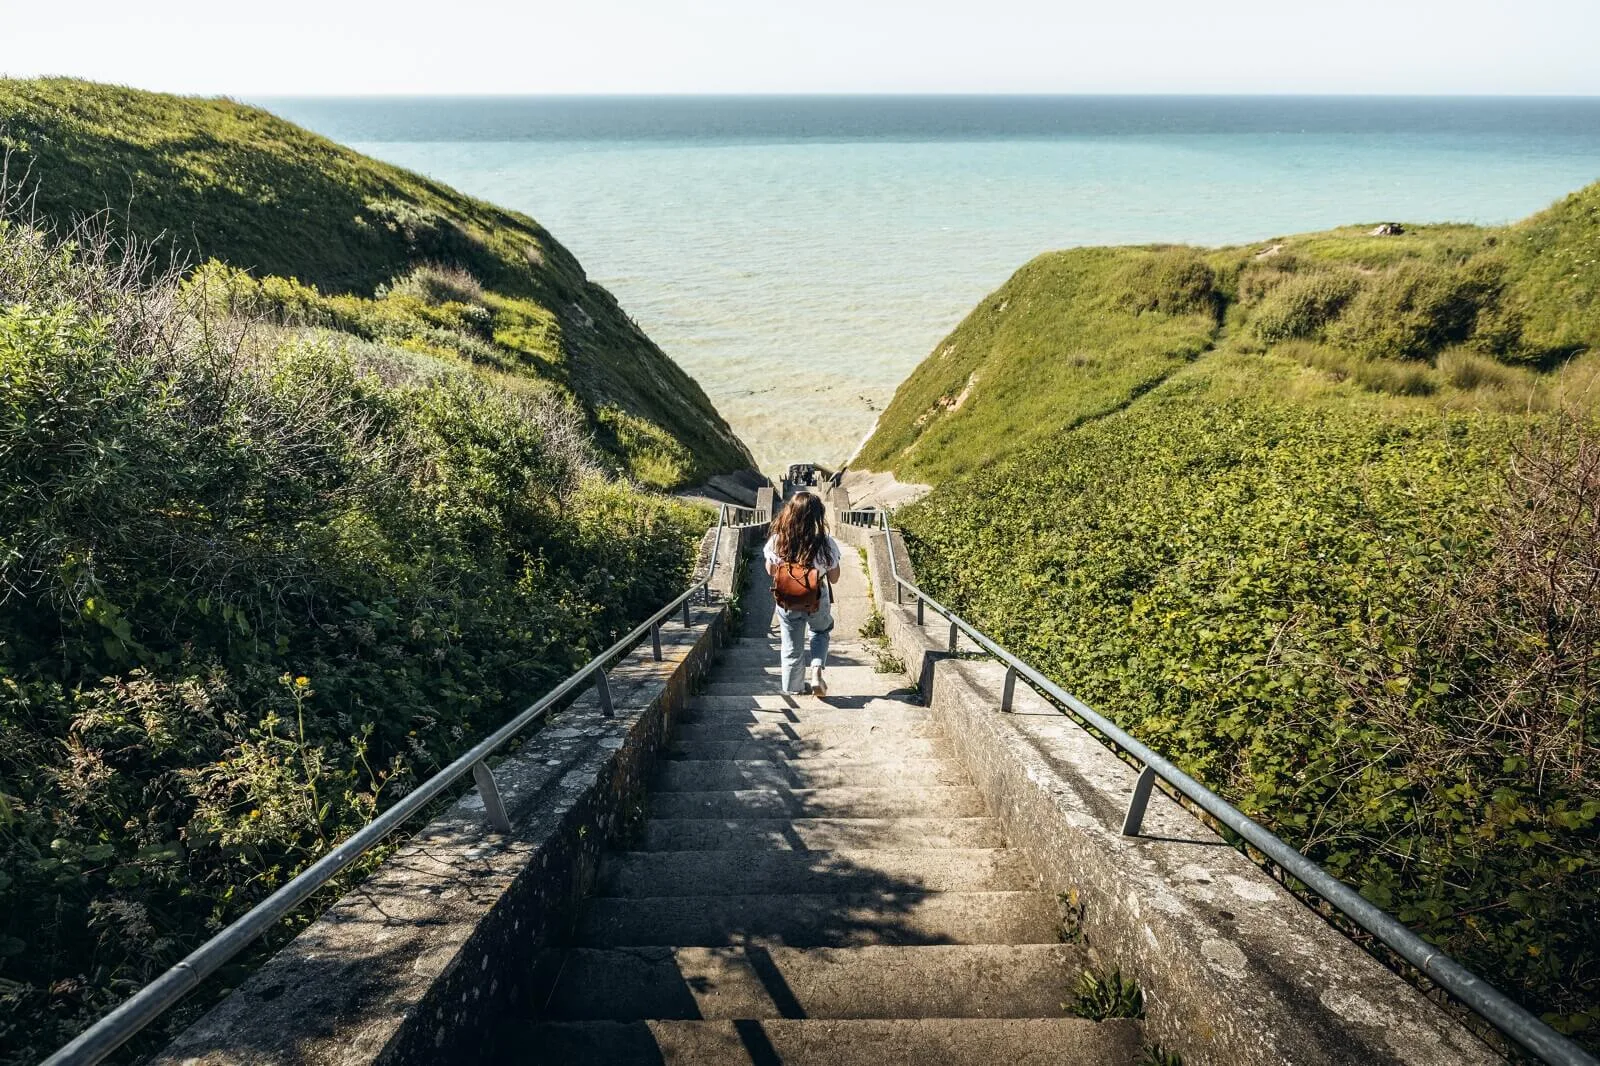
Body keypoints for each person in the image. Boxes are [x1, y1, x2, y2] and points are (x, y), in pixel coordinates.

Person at [764, 491, 842, 696]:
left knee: (791, 644)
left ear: (791, 512)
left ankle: (793, 688)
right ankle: (816, 672)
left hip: (788, 598)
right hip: (817, 595)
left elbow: (771, 571)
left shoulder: (778, 540)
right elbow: (834, 578)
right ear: (818, 516)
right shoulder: (825, 543)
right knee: (819, 631)